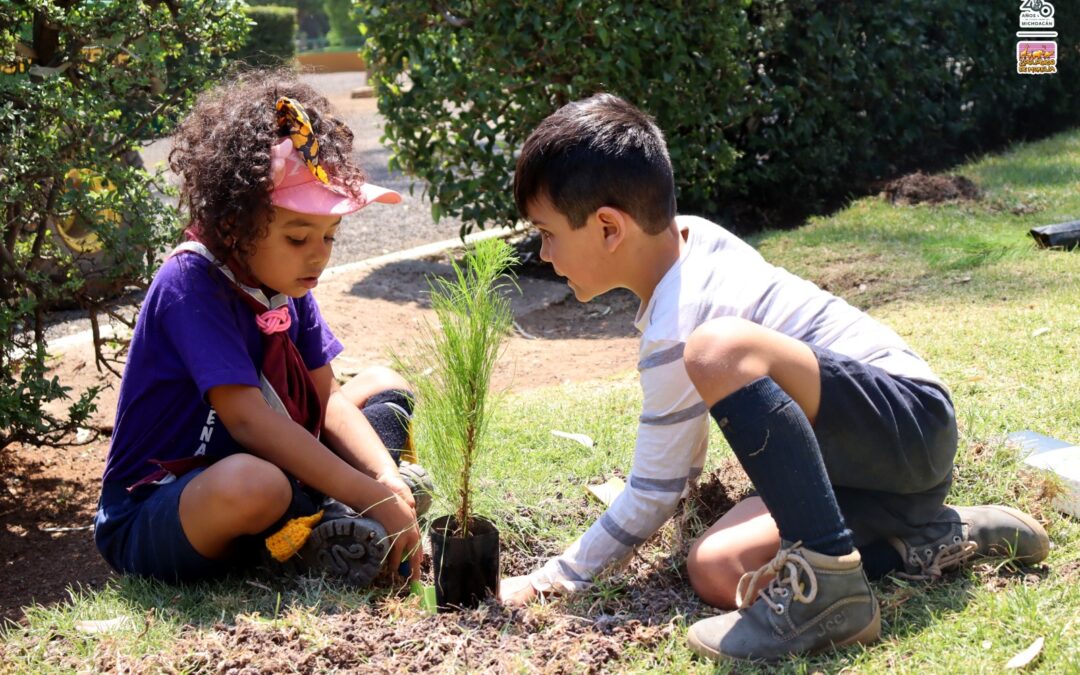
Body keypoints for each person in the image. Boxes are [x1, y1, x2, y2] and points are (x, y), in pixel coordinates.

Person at [500, 93, 1049, 662]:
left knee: (717, 349)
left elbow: (656, 487)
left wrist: (552, 579)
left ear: (610, 227)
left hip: (909, 423)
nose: (544, 252)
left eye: (547, 232)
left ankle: (830, 592)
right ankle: (925, 537)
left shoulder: (684, 320)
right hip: (859, 470)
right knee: (718, 569)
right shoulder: (691, 238)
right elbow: (678, 474)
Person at [94, 71, 428, 587]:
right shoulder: (190, 282)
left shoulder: (286, 286)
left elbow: (328, 399)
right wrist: (373, 492)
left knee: (386, 385)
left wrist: (383, 479)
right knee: (258, 484)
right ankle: (321, 519)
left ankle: (333, 516)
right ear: (235, 224)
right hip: (168, 506)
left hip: (269, 465)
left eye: (330, 236)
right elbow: (249, 422)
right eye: (298, 238)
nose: (318, 255)